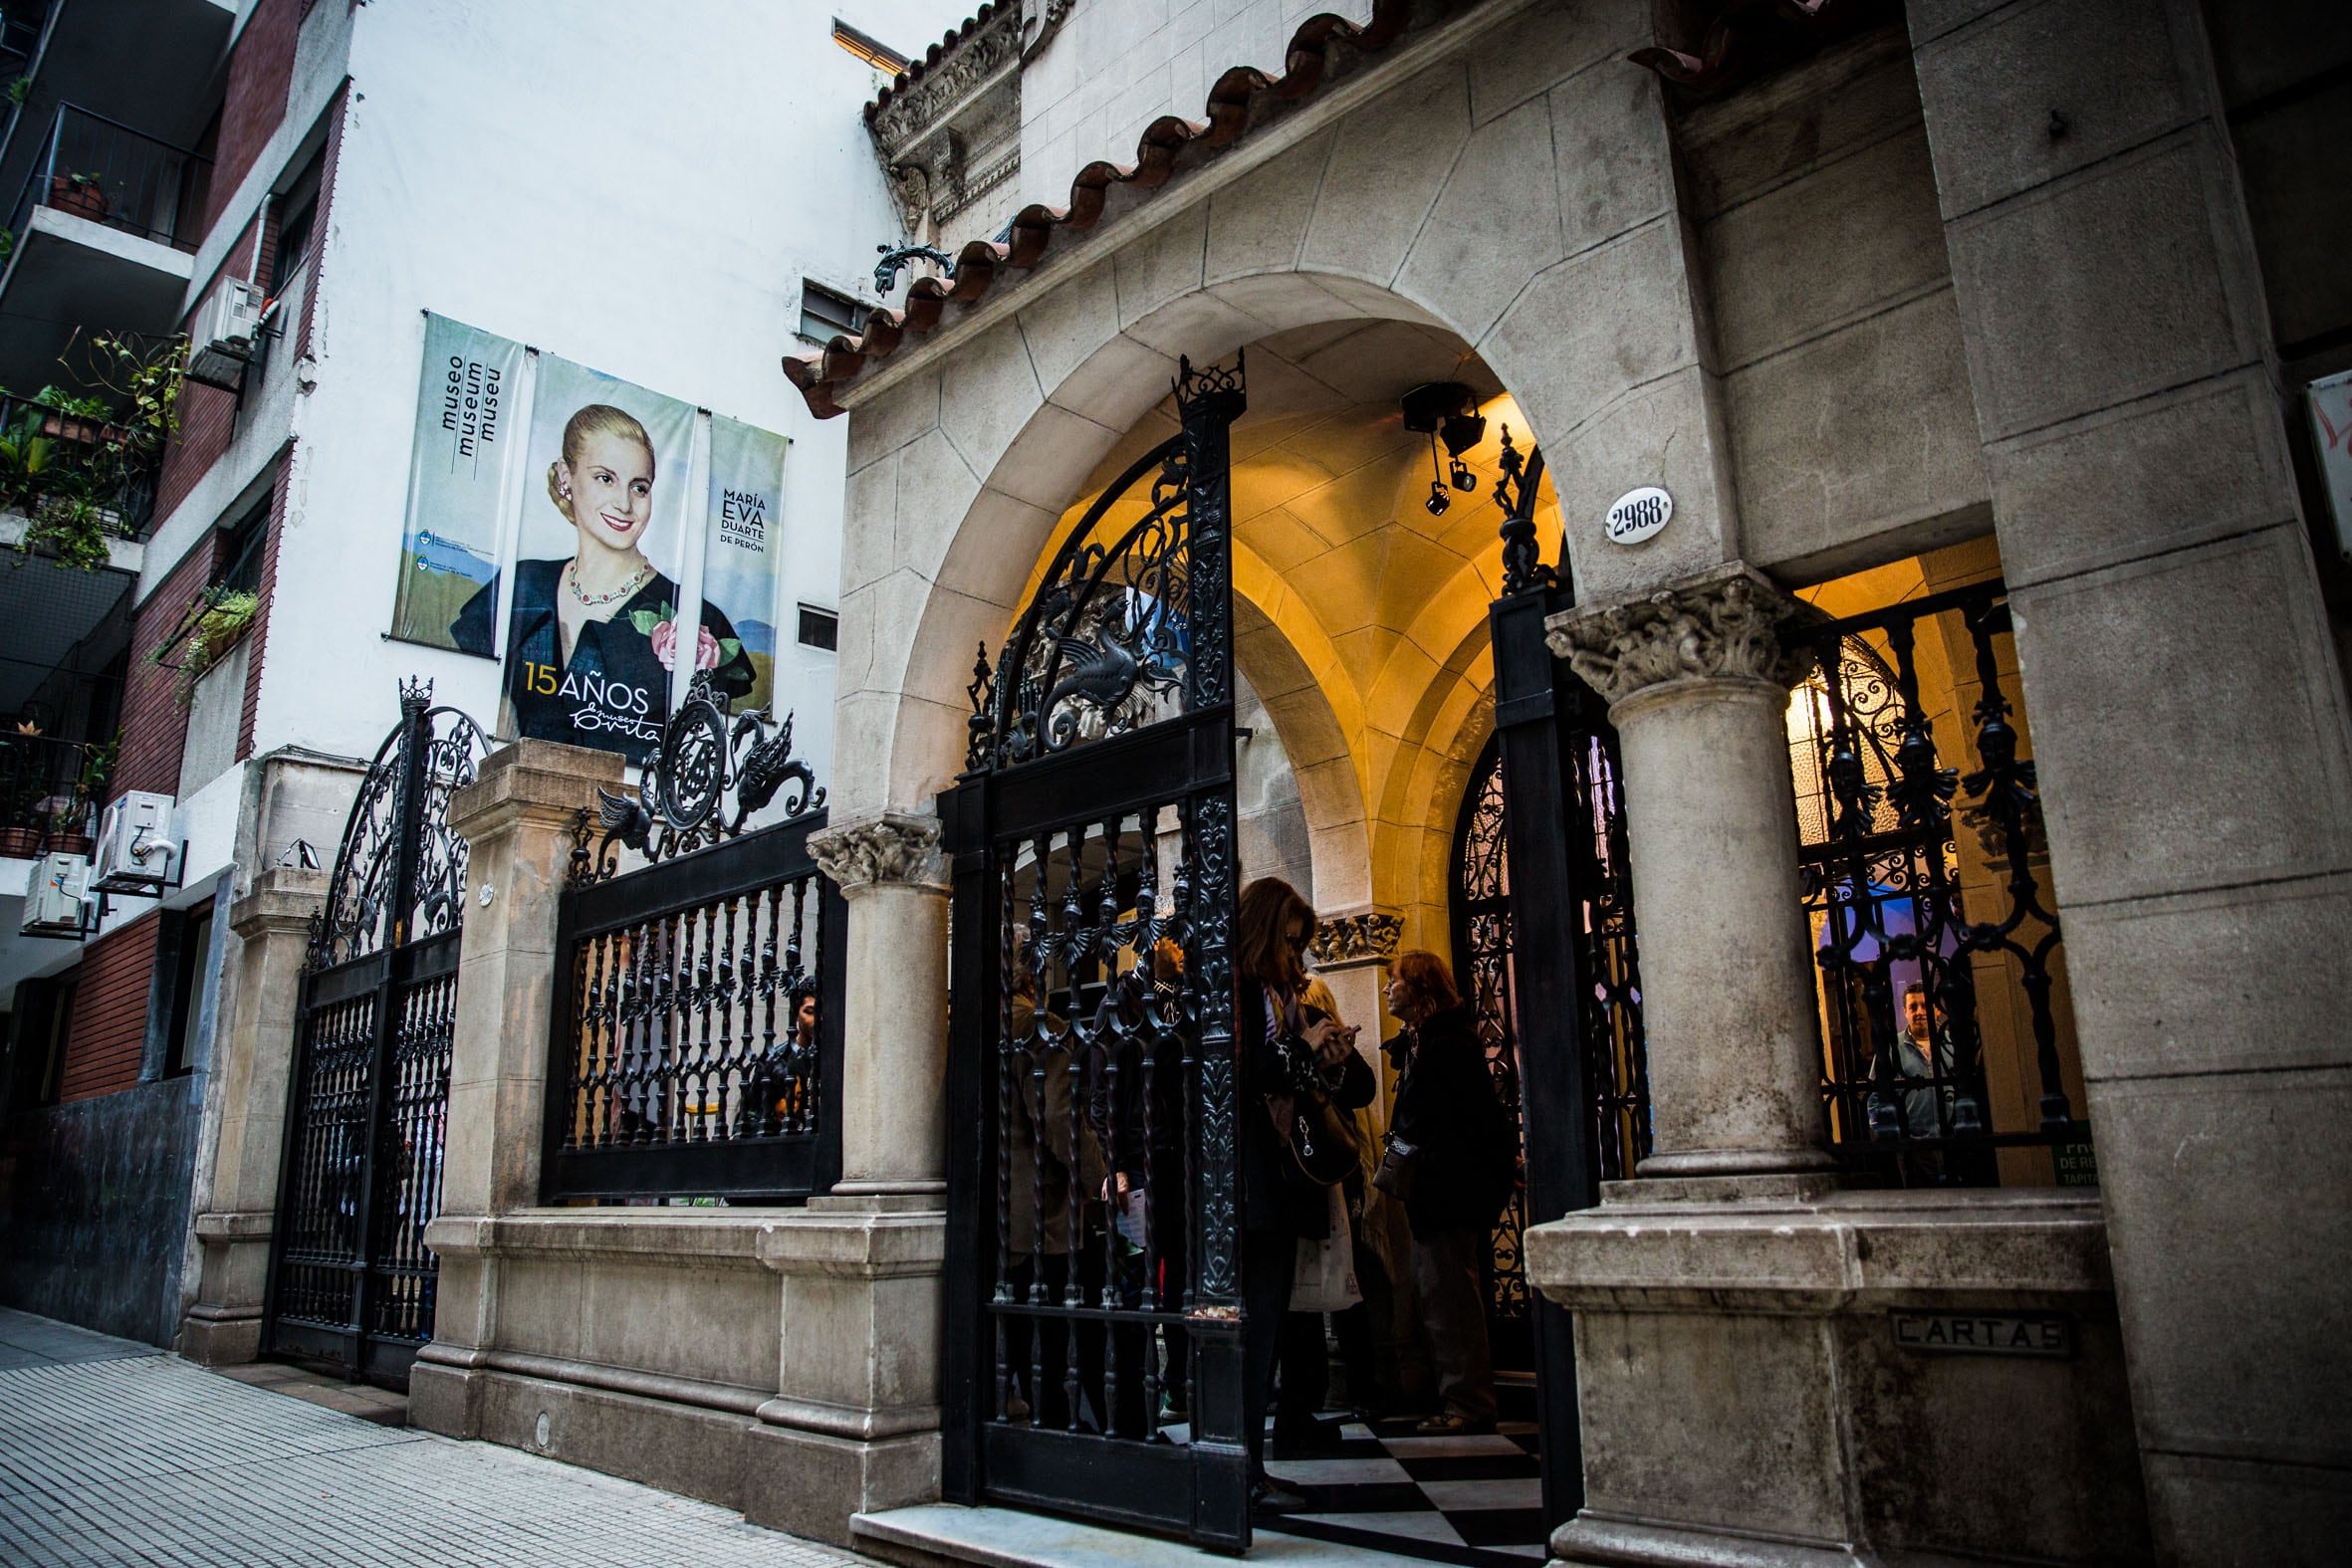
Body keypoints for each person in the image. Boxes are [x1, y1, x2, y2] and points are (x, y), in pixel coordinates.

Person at [452, 402, 753, 765]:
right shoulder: (521, 587)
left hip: (632, 814)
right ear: (567, 476)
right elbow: (494, 721)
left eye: (639, 487)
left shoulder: (699, 620)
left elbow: (699, 758)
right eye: (605, 478)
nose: (624, 504)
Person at [1236, 878, 1374, 1506]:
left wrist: (1332, 1054)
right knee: (1252, 1329)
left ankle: (1253, 1466)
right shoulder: (1237, 993)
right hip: (1248, 1187)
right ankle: (1239, 1467)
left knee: (1274, 1327)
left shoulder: (1294, 1002)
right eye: (1290, 943)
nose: (1298, 957)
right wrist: (1300, 1047)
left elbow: (1359, 1090)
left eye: (1302, 944)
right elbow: (1241, 1074)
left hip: (1293, 1183)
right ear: (1264, 933)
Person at [1383, 950, 1510, 1437]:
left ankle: (1468, 1404)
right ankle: (1458, 1396)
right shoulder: (1428, 1043)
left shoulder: (1447, 1046)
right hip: (1439, 1192)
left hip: (1447, 1191)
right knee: (1439, 1295)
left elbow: (1443, 1120)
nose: (1388, 990)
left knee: (1450, 1298)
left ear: (1421, 990)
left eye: (1396, 982)